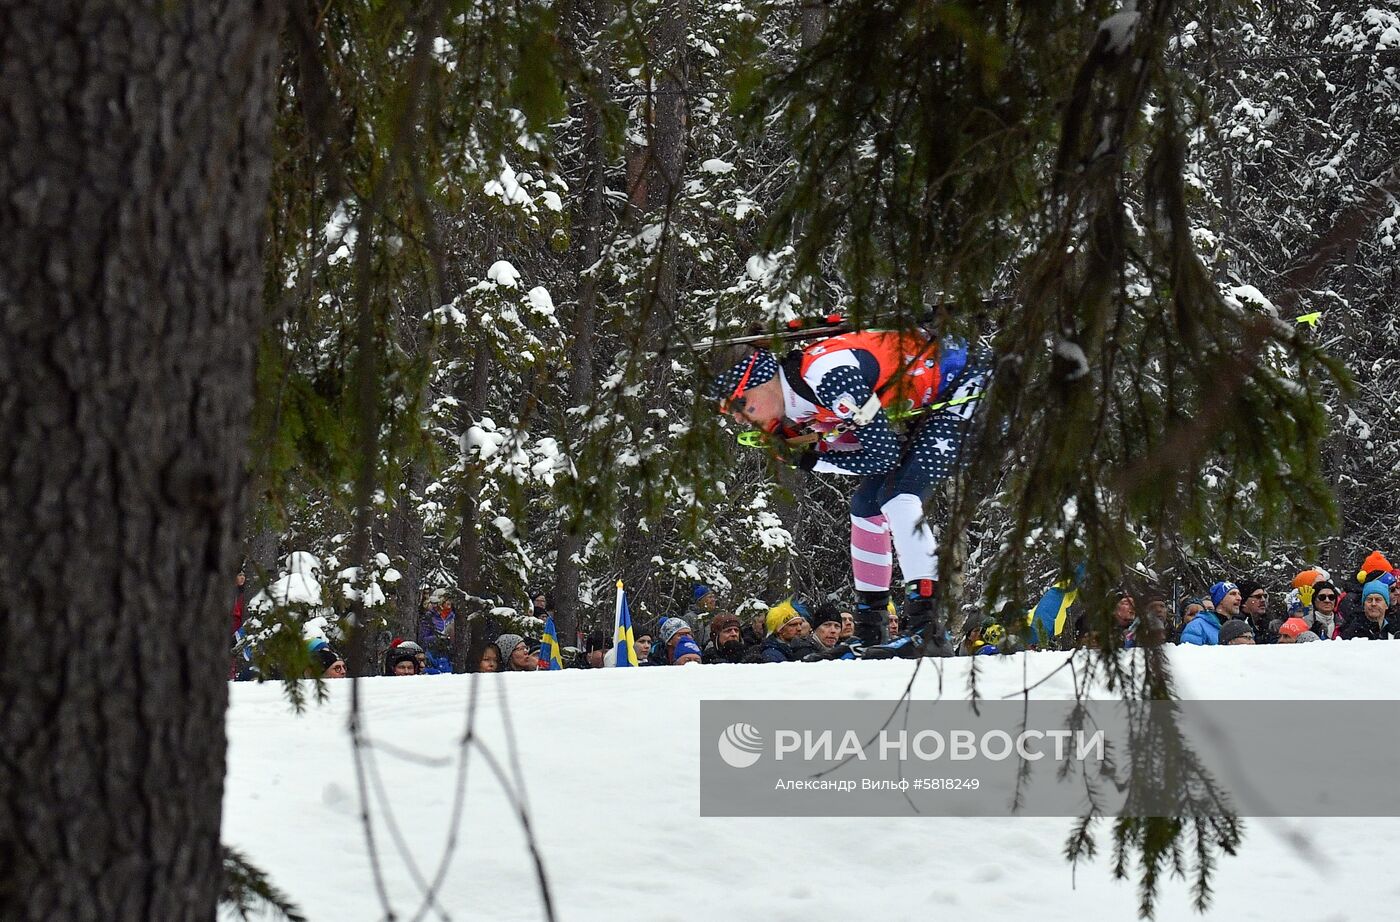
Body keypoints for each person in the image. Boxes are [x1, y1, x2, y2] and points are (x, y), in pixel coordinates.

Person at [707, 328, 991, 658]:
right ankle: (871, 629)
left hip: (974, 388)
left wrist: (812, 459)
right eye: (730, 410)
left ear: (764, 378)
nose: (740, 417)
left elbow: (882, 454)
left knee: (900, 493)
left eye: (741, 402)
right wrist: (813, 448)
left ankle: (928, 631)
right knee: (865, 506)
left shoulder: (828, 376)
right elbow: (859, 440)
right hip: (937, 399)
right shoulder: (797, 404)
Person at [1236, 580, 1274, 644]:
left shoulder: (1268, 624)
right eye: (1258, 597)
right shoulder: (1236, 626)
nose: (1263, 600)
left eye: (1264, 596)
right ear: (1243, 602)